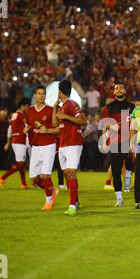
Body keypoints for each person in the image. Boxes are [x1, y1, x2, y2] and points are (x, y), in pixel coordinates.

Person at [52, 79, 87, 216]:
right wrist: (55, 107)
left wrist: (65, 115)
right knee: (66, 173)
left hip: (73, 143)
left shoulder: (73, 104)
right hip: (63, 144)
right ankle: (76, 201)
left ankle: (72, 206)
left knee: (71, 173)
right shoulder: (62, 107)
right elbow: (55, 123)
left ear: (59, 92)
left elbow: (82, 121)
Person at [24, 86, 59, 210]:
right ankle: (52, 190)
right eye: (39, 93)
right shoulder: (29, 110)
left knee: (46, 175)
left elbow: (59, 128)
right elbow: (28, 125)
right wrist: (25, 130)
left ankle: (48, 202)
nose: (41, 96)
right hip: (36, 146)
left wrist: (48, 130)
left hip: (49, 145)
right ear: (34, 95)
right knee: (33, 179)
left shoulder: (50, 110)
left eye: (43, 93)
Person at [101, 84, 135, 206]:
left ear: (125, 90)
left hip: (129, 141)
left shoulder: (131, 106)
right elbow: (104, 124)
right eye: (116, 88)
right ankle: (119, 198)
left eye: (121, 88)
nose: (119, 90)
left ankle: (129, 180)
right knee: (116, 170)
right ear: (113, 92)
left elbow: (136, 124)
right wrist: (105, 139)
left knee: (130, 165)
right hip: (115, 142)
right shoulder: (109, 107)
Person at [0, 99, 30, 189]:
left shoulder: (14, 115)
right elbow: (27, 127)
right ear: (22, 106)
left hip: (16, 141)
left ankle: (24, 184)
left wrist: (8, 143)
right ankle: (2, 177)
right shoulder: (22, 115)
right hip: (20, 141)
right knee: (20, 164)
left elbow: (10, 130)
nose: (27, 108)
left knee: (22, 163)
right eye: (27, 105)